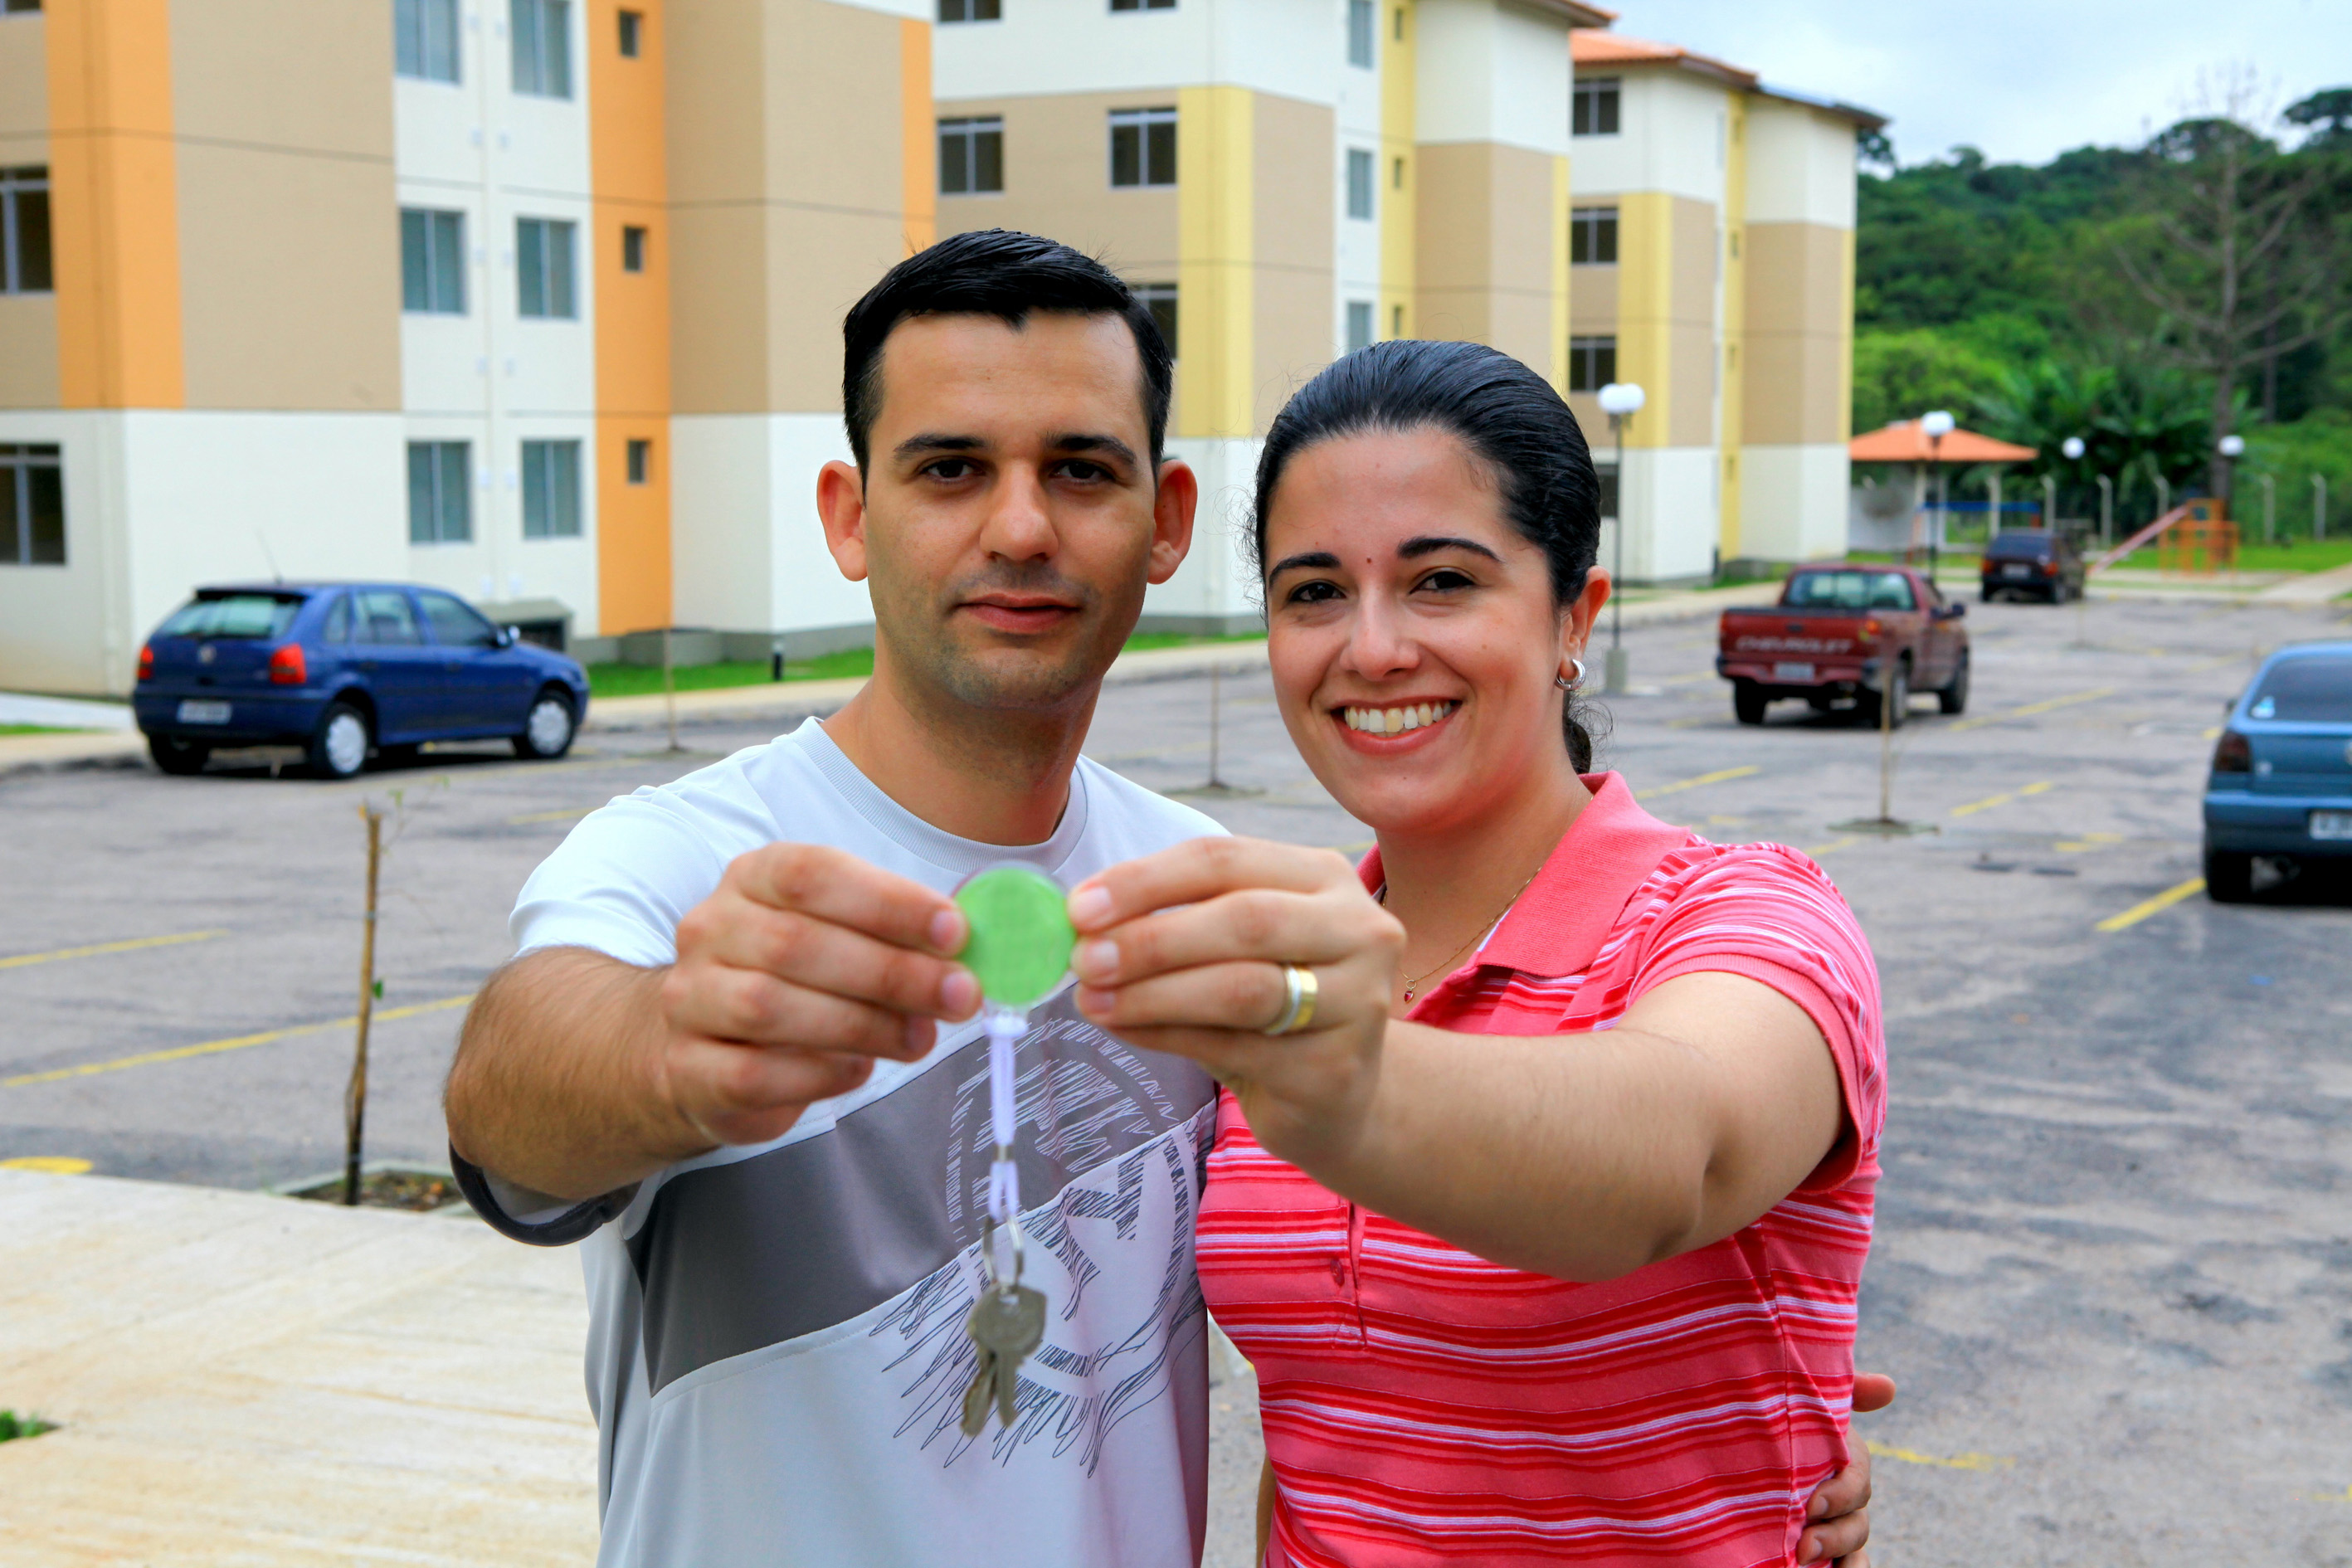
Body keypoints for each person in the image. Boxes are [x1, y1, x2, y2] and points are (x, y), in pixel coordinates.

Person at [444, 231, 1883, 1565]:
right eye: (948, 468)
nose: (1018, 527)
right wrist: (676, 1047)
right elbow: (517, 1081)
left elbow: (1664, 1165)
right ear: (848, 513)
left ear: (1163, 518)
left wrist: (1752, 1388)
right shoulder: (692, 860)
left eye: (1080, 469)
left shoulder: (1239, 926)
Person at [1063, 339, 1888, 1566]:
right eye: (1314, 592)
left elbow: (1680, 1154)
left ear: (1574, 616)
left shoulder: (1743, 914)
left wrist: (1345, 1072)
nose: (1376, 646)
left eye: (1442, 581)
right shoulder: (1304, 972)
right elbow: (1325, 1439)